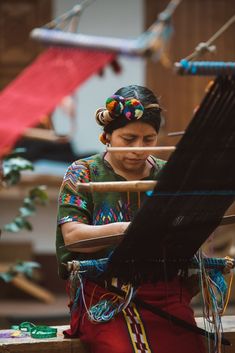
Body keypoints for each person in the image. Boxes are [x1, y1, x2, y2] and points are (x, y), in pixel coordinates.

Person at [56, 85, 207, 353]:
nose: (138, 149)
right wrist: (129, 229)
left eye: (148, 140)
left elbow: (187, 233)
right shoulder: (83, 172)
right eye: (128, 139)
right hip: (101, 295)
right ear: (108, 136)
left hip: (163, 291)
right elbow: (73, 238)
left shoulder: (169, 175)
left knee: (189, 344)